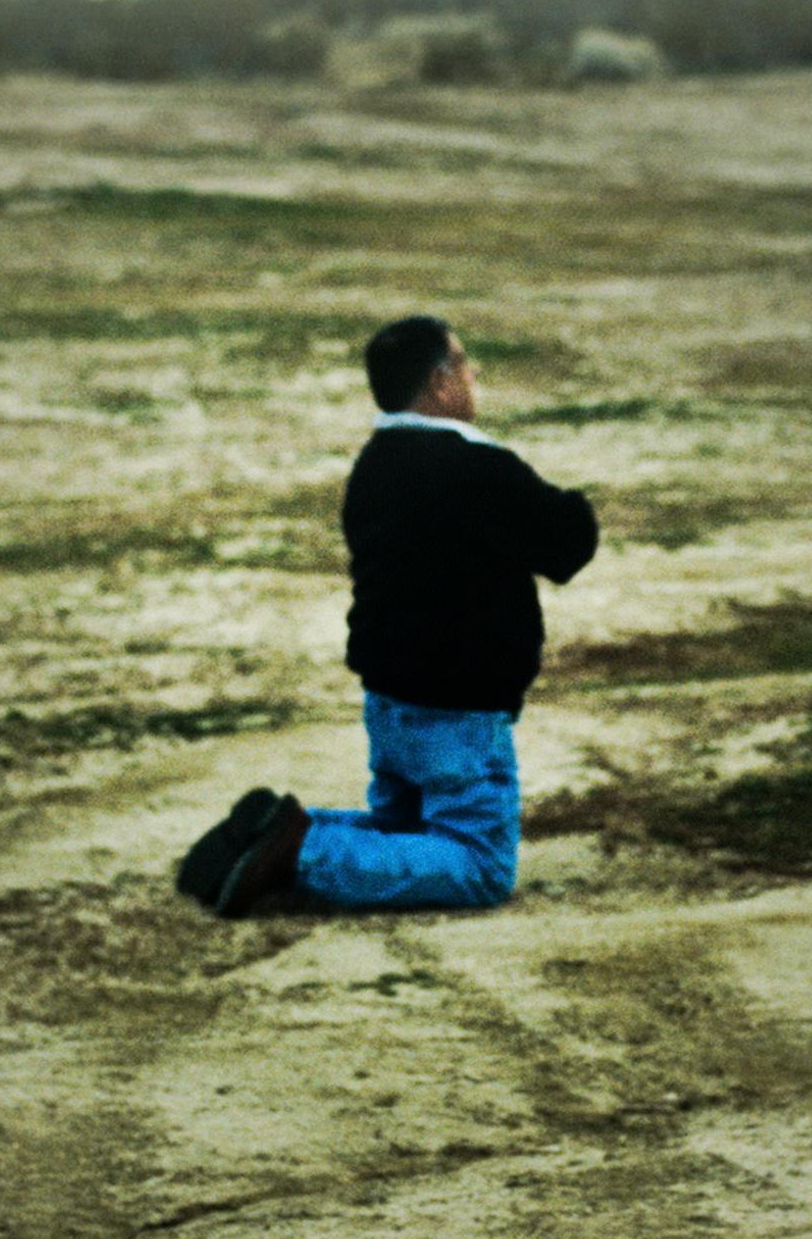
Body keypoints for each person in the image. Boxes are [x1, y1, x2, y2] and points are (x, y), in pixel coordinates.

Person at [175, 314, 598, 916]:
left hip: (389, 702)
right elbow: (567, 546)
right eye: (465, 362)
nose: (474, 374)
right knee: (478, 867)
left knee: (404, 833)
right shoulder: (478, 467)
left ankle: (279, 829)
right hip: (457, 710)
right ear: (442, 380)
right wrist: (574, 503)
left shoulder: (374, 463)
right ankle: (298, 848)